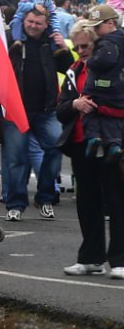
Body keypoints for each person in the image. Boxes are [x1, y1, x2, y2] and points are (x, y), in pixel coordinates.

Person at [55, 20, 124, 277]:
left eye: (87, 46)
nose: (82, 50)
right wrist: (75, 104)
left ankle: (119, 261)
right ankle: (91, 259)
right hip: (81, 146)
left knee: (117, 203)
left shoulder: (116, 69)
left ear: (98, 44)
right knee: (88, 204)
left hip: (112, 145)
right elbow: (60, 111)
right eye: (79, 46)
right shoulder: (73, 71)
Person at [2, 6, 73, 221]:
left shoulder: (51, 44)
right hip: (17, 110)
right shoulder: (10, 40)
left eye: (38, 23)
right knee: (16, 159)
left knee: (55, 147)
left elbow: (70, 69)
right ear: (23, 20)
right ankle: (15, 204)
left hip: (46, 109)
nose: (33, 26)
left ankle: (45, 198)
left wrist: (64, 49)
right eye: (30, 21)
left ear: (46, 25)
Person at [80, 4, 124, 160]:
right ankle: (113, 145)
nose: (95, 31)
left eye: (97, 26)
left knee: (89, 111)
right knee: (113, 124)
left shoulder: (107, 43)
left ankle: (94, 138)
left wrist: (91, 62)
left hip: (101, 89)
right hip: (118, 92)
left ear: (110, 23)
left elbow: (106, 59)